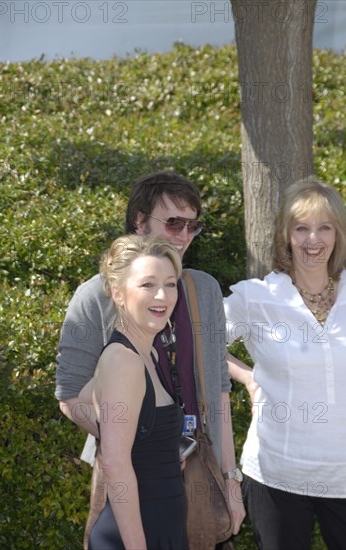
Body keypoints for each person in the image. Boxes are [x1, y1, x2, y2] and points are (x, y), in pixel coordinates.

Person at [55, 172, 246, 538]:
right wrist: (141, 442)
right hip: (131, 470)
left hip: (200, 466)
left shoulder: (202, 289)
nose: (184, 236)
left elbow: (219, 391)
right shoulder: (96, 296)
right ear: (140, 221)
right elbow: (69, 396)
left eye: (192, 226)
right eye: (173, 223)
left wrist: (231, 479)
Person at [224, 178, 346, 550]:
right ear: (285, 235)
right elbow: (198, 342)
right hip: (276, 475)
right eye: (301, 228)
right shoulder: (256, 298)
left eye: (324, 227)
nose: (312, 240)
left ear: (338, 234)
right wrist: (245, 376)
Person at [78, 234, 187, 549]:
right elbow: (113, 463)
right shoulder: (124, 361)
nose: (162, 295)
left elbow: (85, 399)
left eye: (170, 284)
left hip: (160, 526)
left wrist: (155, 447)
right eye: (147, 285)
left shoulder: (148, 353)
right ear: (118, 293)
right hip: (136, 537)